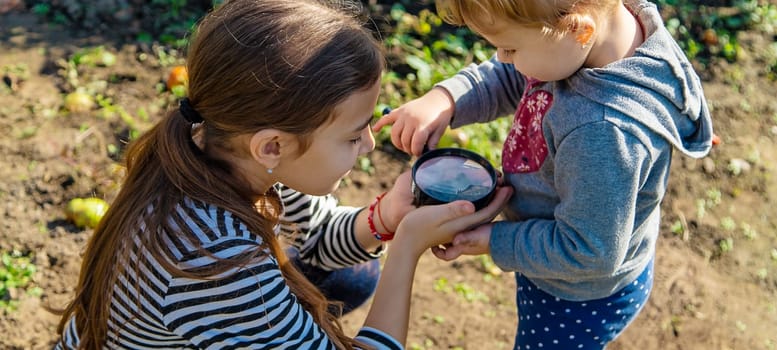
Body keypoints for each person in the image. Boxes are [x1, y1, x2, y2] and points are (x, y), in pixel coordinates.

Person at [54, 0, 512, 349]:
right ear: (273, 145)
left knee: (354, 274)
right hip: (216, 291)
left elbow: (315, 232)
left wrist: (387, 219)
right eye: (354, 136)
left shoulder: (216, 150)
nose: (369, 145)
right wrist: (406, 249)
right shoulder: (214, 262)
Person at [374, 0, 713, 349]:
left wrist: (494, 240)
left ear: (579, 30)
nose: (503, 58)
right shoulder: (597, 30)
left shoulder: (602, 132)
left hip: (575, 297)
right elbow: (513, 76)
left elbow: (588, 251)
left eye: (510, 48)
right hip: (567, 257)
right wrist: (448, 99)